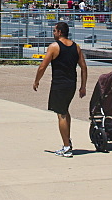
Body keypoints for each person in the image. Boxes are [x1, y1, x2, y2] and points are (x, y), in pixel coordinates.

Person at [32, 20, 87, 158]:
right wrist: (83, 86)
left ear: (60, 32)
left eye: (55, 31)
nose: (53, 33)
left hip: (59, 84)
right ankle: (67, 141)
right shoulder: (76, 47)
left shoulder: (54, 47)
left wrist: (36, 81)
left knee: (61, 114)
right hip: (71, 84)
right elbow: (84, 67)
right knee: (65, 111)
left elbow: (42, 66)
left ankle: (66, 147)